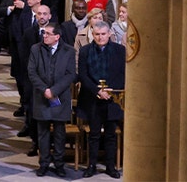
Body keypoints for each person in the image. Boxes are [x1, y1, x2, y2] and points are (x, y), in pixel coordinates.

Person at [28, 23, 77, 178]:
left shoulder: (69, 51)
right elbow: (32, 72)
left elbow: (70, 74)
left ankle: (59, 164)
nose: (45, 36)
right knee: (42, 132)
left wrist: (54, 90)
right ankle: (43, 163)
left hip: (60, 97)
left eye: (48, 34)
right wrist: (45, 90)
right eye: (44, 33)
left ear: (57, 36)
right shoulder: (36, 49)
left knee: (59, 133)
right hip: (42, 96)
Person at [77, 21, 124, 179]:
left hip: (113, 99)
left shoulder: (120, 51)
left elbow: (123, 74)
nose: (100, 37)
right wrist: (97, 90)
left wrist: (111, 90)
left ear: (109, 33)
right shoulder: (85, 51)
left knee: (110, 134)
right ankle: (91, 166)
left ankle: (110, 167)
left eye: (103, 34)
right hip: (92, 98)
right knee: (94, 135)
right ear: (92, 34)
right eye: (97, 34)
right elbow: (83, 75)